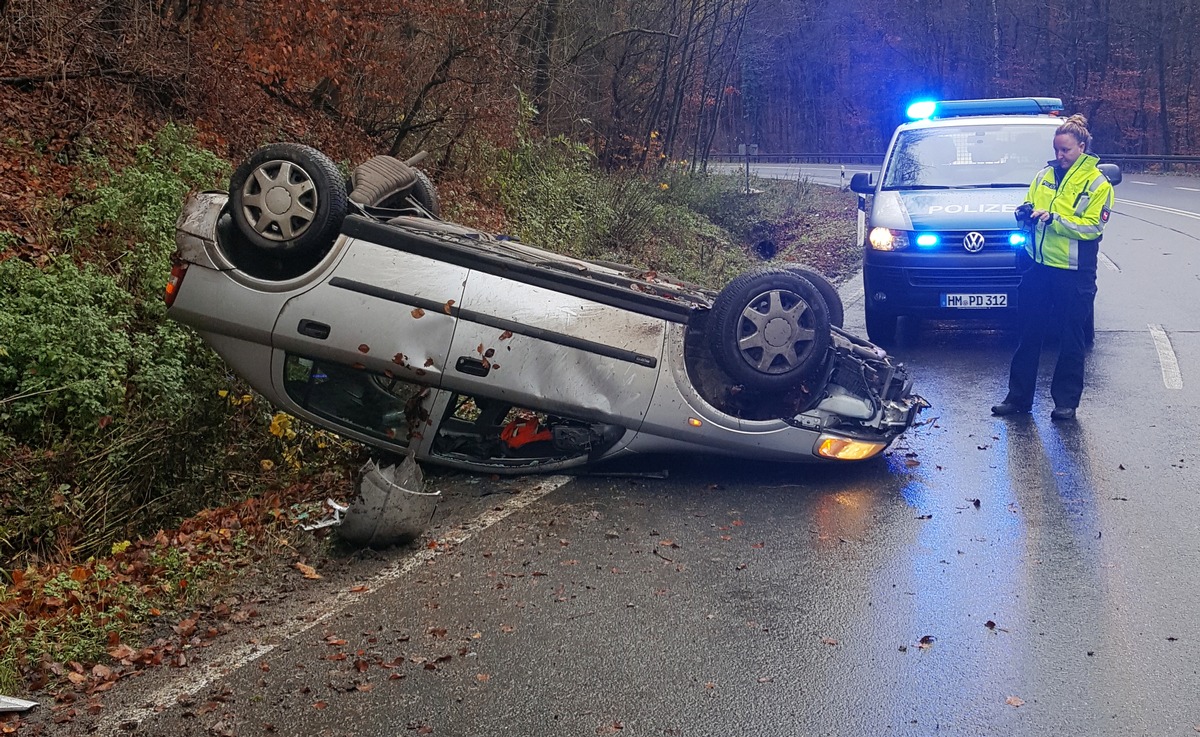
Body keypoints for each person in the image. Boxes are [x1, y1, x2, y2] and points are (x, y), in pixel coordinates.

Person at [991, 114, 1115, 421]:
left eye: (1066, 151)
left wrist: (1055, 220)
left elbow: (1092, 229)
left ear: (1082, 148)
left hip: (1074, 272)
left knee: (1071, 337)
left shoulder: (1098, 183)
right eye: (1057, 150)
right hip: (1038, 266)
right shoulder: (1044, 175)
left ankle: (1066, 403)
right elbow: (1029, 203)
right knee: (1028, 334)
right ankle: (1018, 398)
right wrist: (1024, 213)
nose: (1060, 156)